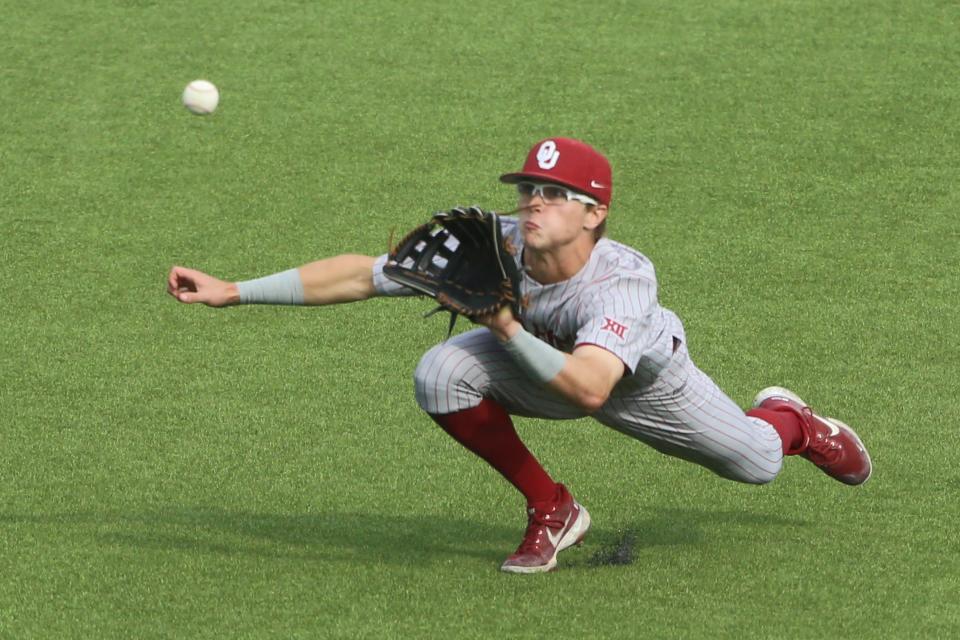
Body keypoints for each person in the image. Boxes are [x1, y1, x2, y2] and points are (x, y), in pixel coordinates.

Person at [167, 137, 872, 574]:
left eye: (554, 195)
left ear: (593, 213)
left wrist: (504, 326)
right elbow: (363, 273)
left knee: (755, 463)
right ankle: (553, 508)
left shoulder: (624, 280)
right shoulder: (498, 242)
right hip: (541, 366)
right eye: (528, 189)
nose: (533, 203)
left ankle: (790, 420)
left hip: (639, 388)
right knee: (440, 372)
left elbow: (593, 389)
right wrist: (235, 291)